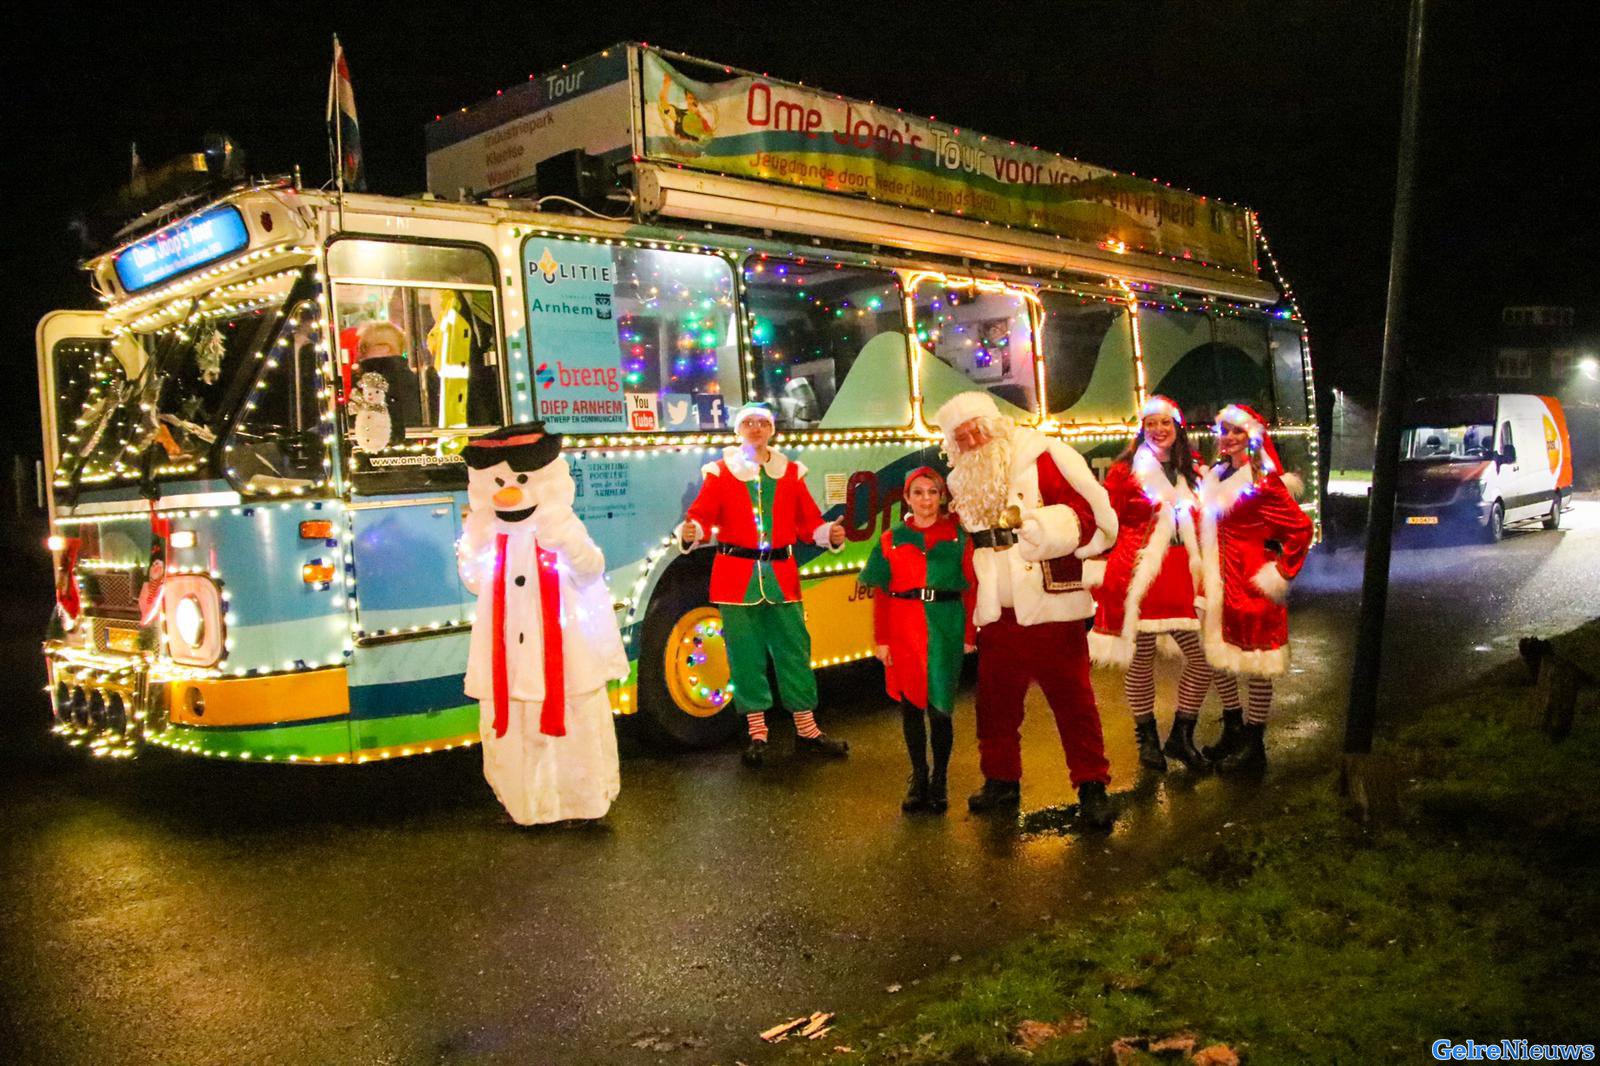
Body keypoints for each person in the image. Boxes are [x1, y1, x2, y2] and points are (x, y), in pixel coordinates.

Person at [934, 391, 1119, 829]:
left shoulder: (1045, 455)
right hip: (998, 612)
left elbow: (1089, 515)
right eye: (963, 436)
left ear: (995, 424)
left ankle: (1093, 787)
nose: (974, 440)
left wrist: (1036, 526)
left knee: (1074, 703)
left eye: (978, 428)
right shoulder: (963, 479)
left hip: (1052, 604)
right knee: (995, 706)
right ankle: (1001, 781)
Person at [458, 422, 629, 824]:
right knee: (515, 730)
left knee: (573, 725)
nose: (509, 491)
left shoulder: (561, 524)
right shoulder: (487, 531)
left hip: (564, 654)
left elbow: (590, 571)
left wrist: (565, 540)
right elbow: (473, 581)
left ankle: (580, 805)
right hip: (507, 658)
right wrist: (474, 541)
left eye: (519, 479)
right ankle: (525, 808)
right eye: (498, 481)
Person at [677, 402, 848, 767]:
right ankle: (758, 732)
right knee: (745, 657)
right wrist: (692, 531)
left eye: (762, 423)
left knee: (794, 650)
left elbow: (808, 522)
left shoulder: (789, 474)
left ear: (772, 429)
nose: (755, 429)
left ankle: (807, 730)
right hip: (735, 579)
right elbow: (701, 516)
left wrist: (827, 533)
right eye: (749, 423)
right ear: (739, 431)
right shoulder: (721, 473)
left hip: (781, 577)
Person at [1087, 396, 1212, 772]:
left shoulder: (1193, 469)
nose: (1159, 430)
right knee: (1140, 659)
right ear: (1142, 428)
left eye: (1166, 424)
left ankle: (1181, 736)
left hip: (1180, 573)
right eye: (1151, 423)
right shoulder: (1124, 472)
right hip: (1139, 570)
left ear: (1178, 429)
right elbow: (1111, 520)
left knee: (1203, 659)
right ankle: (1147, 741)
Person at [1197, 403, 1315, 773]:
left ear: (1252, 437)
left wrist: (1278, 574)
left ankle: (1254, 743)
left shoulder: (1263, 481)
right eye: (1225, 431)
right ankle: (1233, 730)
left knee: (1258, 665)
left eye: (1237, 431)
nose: (1229, 438)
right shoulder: (1216, 475)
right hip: (1219, 582)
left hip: (1251, 585)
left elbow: (1300, 529)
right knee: (1221, 659)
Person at [861, 466, 974, 814]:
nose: (926, 500)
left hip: (945, 626)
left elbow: (972, 589)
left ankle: (940, 779)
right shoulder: (890, 539)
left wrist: (969, 634)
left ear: (942, 497)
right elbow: (881, 593)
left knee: (941, 710)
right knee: (911, 707)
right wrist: (882, 640)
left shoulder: (960, 537)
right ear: (907, 498)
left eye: (933, 492)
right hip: (903, 627)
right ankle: (919, 777)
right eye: (919, 493)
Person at [354, 320, 422, 445]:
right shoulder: (415, 381)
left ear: (385, 348)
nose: (360, 353)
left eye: (365, 346)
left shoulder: (372, 382)